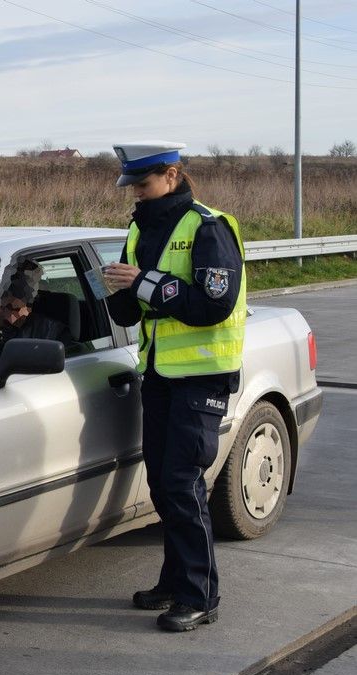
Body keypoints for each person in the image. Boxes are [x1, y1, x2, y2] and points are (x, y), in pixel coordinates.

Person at [103, 140, 247, 632]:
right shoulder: (140, 227)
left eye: (143, 185)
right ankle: (174, 581)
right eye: (131, 188)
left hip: (203, 376)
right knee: (164, 485)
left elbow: (214, 306)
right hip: (160, 375)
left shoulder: (208, 227)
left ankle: (200, 595)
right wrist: (117, 291)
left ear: (171, 175)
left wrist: (141, 281)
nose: (136, 196)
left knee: (184, 485)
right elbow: (130, 308)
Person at [0, 262, 71, 368]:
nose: (8, 317)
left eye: (15, 309)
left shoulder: (51, 333)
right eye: (2, 308)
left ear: (28, 309)